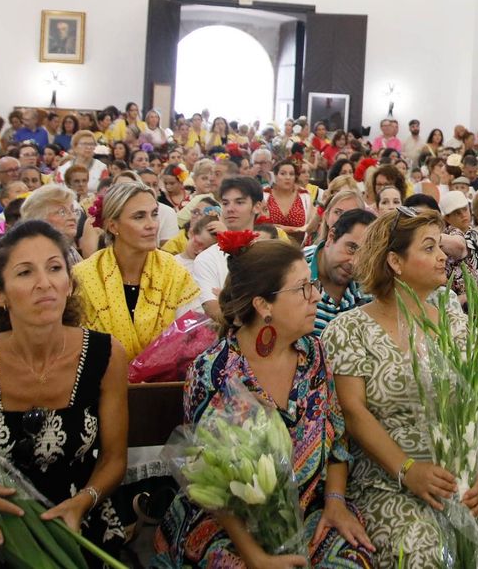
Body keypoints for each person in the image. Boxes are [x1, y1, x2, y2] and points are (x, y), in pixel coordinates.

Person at [152, 235, 375, 568]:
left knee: (352, 558)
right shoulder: (215, 371)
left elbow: (338, 440)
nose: (316, 295)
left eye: (312, 284)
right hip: (229, 526)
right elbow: (208, 482)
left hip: (309, 509)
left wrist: (335, 502)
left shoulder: (312, 354)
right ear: (263, 305)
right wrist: (255, 556)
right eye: (302, 288)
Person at [325, 209, 478, 568]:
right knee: (423, 553)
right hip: (390, 477)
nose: (442, 256)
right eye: (429, 248)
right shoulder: (349, 330)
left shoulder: (456, 322)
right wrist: (407, 470)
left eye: (441, 246)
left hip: (461, 472)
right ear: (395, 261)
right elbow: (353, 413)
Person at [0, 220, 128, 564]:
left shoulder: (106, 355)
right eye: (24, 273)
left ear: (69, 284)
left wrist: (84, 501)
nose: (44, 284)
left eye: (54, 268)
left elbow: (113, 459)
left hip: (75, 518)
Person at [71, 181, 199, 358]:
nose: (152, 224)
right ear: (113, 225)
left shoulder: (174, 271)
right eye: (139, 217)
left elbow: (192, 336)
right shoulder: (85, 276)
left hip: (165, 382)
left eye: (154, 214)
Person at [193, 177, 262, 321]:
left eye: (239, 202)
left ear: (257, 207)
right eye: (225, 203)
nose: (230, 208)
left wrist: (228, 301)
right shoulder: (206, 259)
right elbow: (213, 309)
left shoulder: (270, 251)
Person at [306, 208, 375, 335]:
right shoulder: (293, 269)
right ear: (331, 237)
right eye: (351, 248)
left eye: (365, 255)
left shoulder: (371, 286)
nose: (355, 262)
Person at [22, 182, 103, 263]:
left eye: (73, 210)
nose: (72, 217)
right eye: (62, 212)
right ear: (39, 219)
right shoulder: (37, 256)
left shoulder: (68, 249)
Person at [262, 159, 312, 236]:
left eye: (291, 174)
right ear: (275, 176)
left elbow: (311, 225)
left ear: (295, 177)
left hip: (299, 245)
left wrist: (287, 229)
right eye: (283, 174)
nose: (288, 177)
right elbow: (260, 224)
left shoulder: (304, 196)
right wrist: (295, 229)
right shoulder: (264, 195)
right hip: (271, 244)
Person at [173, 207, 225, 272]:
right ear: (191, 233)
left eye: (207, 249)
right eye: (199, 244)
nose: (200, 251)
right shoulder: (171, 262)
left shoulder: (209, 268)